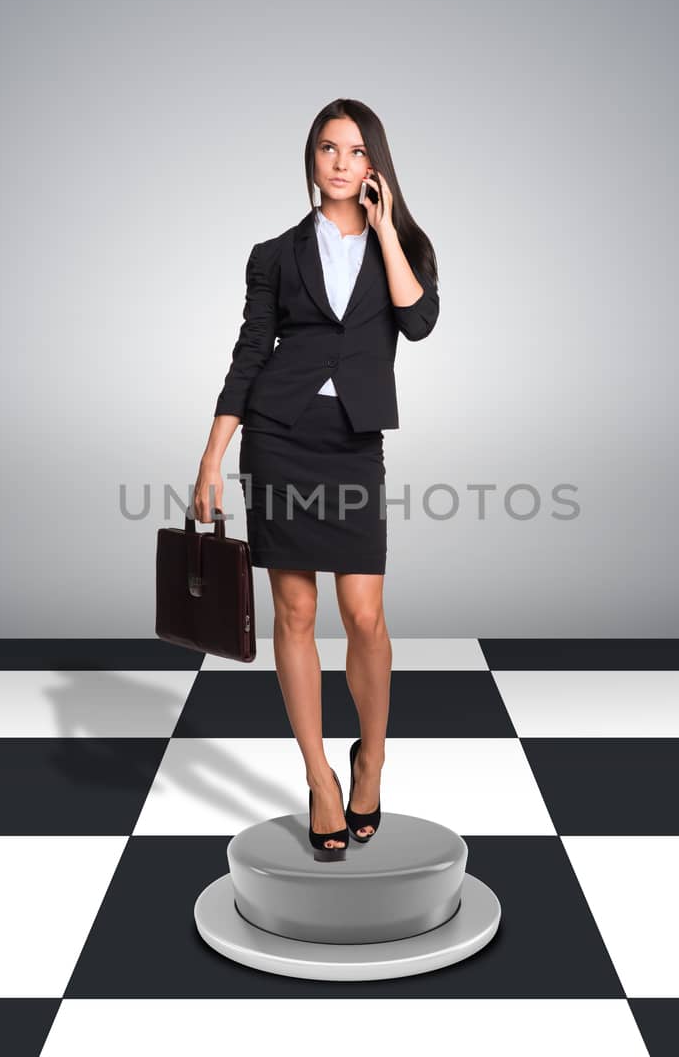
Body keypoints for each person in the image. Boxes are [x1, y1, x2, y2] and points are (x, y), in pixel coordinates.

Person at [193, 99, 440, 857]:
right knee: (294, 614)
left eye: (356, 151)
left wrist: (388, 227)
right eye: (328, 149)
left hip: (353, 439)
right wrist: (211, 454)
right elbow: (248, 352)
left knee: (364, 613)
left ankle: (373, 755)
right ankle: (320, 777)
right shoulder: (273, 254)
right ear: (312, 160)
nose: (340, 161)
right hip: (279, 436)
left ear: (375, 165)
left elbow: (418, 323)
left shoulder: (406, 247)